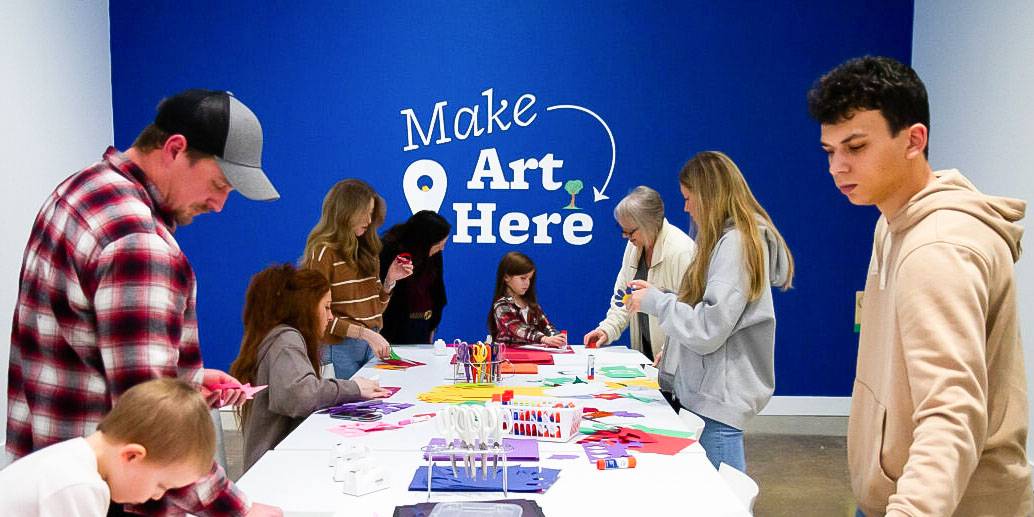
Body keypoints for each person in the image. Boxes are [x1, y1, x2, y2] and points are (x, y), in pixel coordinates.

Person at [6, 89, 281, 516]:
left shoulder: (82, 188)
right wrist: (236, 510)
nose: (220, 205)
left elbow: (79, 342)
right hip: (106, 491)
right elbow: (154, 431)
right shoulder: (140, 244)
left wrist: (185, 379)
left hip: (50, 467)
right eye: (218, 184)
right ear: (175, 148)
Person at [808, 56, 1032, 516]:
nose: (838, 166)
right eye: (830, 151)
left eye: (856, 147)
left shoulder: (937, 248)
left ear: (914, 140)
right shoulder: (891, 226)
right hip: (894, 490)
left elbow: (951, 414)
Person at [626, 151, 794, 472]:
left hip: (717, 403)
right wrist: (675, 349)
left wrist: (658, 303)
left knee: (722, 503)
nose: (686, 207)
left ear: (709, 195)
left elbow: (709, 329)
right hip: (709, 398)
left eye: (689, 198)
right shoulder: (728, 242)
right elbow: (711, 316)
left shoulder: (736, 244)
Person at [229, 264, 391, 471]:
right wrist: (354, 388)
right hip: (275, 468)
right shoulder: (286, 340)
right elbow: (300, 395)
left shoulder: (280, 336)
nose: (331, 316)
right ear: (305, 307)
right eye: (326, 307)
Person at [0, 378, 217, 516]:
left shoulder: (70, 457)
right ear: (132, 455)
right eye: (161, 485)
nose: (157, 496)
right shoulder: (80, 487)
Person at [301, 179, 413, 379]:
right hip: (339, 347)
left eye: (371, 213)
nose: (369, 221)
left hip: (371, 343)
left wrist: (389, 281)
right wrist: (366, 334)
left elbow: (375, 308)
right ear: (346, 211)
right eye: (365, 213)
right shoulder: (323, 253)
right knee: (344, 408)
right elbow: (315, 315)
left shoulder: (368, 251)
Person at [583, 186, 696, 362]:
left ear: (649, 223)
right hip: (647, 359)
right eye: (622, 231)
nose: (625, 236)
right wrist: (607, 329)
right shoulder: (634, 246)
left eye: (630, 231)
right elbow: (624, 297)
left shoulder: (681, 251)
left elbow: (689, 314)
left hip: (675, 363)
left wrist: (670, 352)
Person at [379, 210, 452, 345]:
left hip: (424, 325)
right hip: (393, 328)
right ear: (424, 241)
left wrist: (432, 327)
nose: (441, 249)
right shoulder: (389, 252)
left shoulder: (434, 255)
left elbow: (437, 293)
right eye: (439, 245)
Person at [488, 251, 566, 348]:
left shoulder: (531, 305)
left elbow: (546, 325)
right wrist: (544, 339)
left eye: (530, 279)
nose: (527, 283)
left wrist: (555, 336)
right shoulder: (501, 305)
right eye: (523, 278)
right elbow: (517, 328)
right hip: (509, 356)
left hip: (532, 354)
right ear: (506, 277)